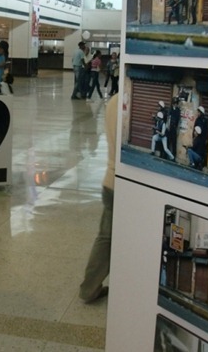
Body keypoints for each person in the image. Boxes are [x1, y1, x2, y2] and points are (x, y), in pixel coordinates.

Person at [79, 93, 118, 303]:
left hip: (110, 181)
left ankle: (90, 288)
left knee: (106, 238)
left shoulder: (114, 101)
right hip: (128, 187)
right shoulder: (134, 104)